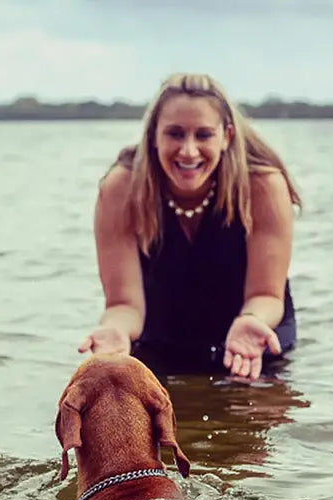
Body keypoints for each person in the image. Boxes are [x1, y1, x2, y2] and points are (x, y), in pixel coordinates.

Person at [78, 73, 302, 381]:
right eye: (175, 133)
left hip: (251, 338)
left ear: (227, 136)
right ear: (153, 137)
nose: (188, 150)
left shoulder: (262, 186)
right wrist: (114, 331)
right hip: (162, 339)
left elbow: (266, 294)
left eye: (204, 135)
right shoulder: (122, 188)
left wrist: (252, 320)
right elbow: (124, 304)